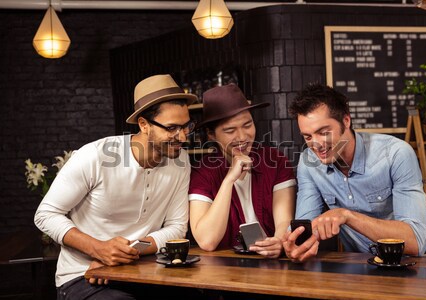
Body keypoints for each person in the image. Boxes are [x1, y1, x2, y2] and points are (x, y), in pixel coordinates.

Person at [34, 74, 200, 299]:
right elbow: (45, 214)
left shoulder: (181, 163)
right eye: (171, 128)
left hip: (142, 270)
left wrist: (121, 254)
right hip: (82, 276)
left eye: (186, 126)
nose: (182, 136)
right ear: (143, 124)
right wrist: (98, 249)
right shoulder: (95, 156)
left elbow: (176, 227)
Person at [283, 83, 426, 262]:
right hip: (365, 263)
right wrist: (294, 243)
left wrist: (346, 215)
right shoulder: (309, 163)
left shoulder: (396, 153)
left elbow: (414, 241)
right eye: (308, 137)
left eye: (323, 132)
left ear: (346, 121)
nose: (315, 144)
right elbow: (304, 227)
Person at [188, 83, 296, 258]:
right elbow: (207, 240)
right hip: (226, 268)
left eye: (247, 125)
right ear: (211, 135)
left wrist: (278, 241)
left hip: (273, 263)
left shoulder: (275, 161)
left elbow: (284, 219)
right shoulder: (202, 172)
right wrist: (229, 180)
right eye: (230, 130)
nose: (242, 137)